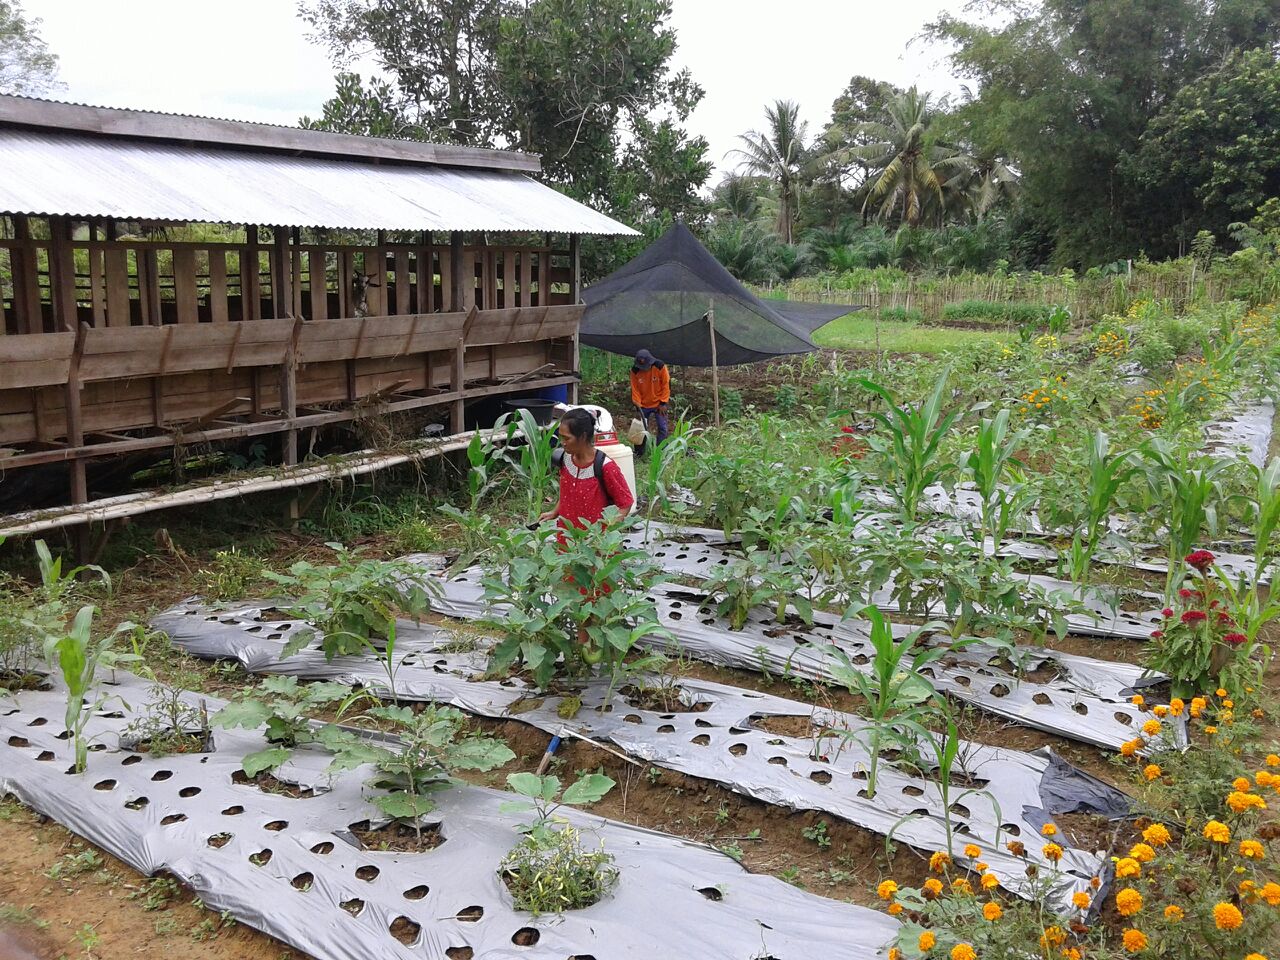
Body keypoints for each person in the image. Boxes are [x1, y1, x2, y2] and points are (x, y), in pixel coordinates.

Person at [539, 407, 634, 528]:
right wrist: (554, 512)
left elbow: (625, 503)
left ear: (583, 436)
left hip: (593, 543)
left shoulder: (605, 467)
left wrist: (606, 531)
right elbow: (566, 494)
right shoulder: (565, 459)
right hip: (566, 539)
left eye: (567, 438)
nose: (562, 442)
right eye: (561, 437)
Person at [630, 348, 671, 445]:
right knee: (640, 429)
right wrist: (638, 407)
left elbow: (666, 384)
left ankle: (661, 451)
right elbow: (635, 389)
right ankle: (639, 453)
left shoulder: (660, 366)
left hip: (659, 404)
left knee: (663, 428)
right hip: (643, 405)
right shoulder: (635, 371)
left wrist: (663, 403)